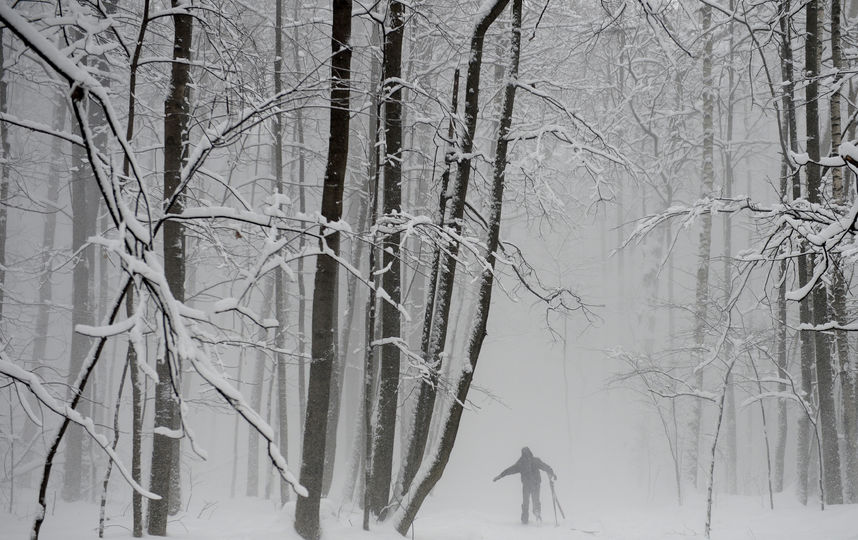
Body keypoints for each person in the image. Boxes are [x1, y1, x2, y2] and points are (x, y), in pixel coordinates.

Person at [493, 446, 557, 524]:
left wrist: (500, 476)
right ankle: (537, 514)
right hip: (535, 484)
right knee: (535, 500)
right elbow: (545, 467)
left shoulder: (520, 463)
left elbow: (509, 470)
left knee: (526, 502)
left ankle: (525, 520)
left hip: (527, 485)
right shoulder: (535, 461)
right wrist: (552, 473)